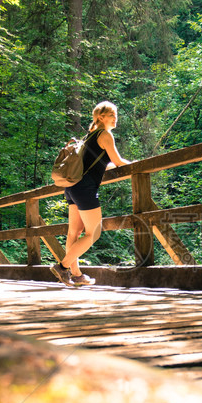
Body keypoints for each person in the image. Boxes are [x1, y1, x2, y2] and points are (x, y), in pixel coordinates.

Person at [50, 101, 130, 286]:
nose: (115, 118)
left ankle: (76, 276)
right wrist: (136, 164)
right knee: (93, 233)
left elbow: (102, 162)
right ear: (100, 117)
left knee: (74, 233)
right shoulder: (105, 134)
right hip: (85, 188)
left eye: (115, 114)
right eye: (112, 115)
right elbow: (117, 161)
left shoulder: (90, 136)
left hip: (72, 187)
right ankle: (62, 267)